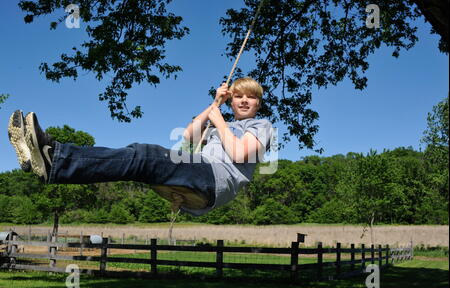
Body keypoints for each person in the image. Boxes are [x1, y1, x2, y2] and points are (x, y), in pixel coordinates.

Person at [8, 77, 273, 216]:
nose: (244, 101)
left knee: (146, 155)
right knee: (139, 156)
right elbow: (191, 136)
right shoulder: (218, 120)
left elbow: (239, 153)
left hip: (216, 179)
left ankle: (57, 159)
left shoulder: (261, 126)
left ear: (258, 103)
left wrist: (219, 121)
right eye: (238, 96)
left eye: (251, 97)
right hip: (202, 175)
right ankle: (49, 162)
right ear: (231, 100)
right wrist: (214, 105)